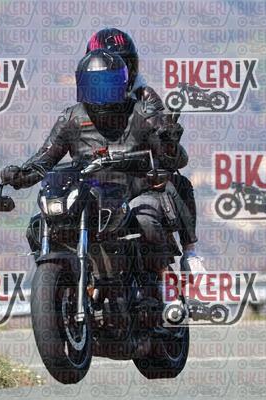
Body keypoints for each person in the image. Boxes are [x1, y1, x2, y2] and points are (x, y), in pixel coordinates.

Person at [1, 49, 186, 273]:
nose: (102, 93)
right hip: (86, 195)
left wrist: (169, 143)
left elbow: (176, 161)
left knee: (146, 222)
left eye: (108, 85)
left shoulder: (141, 113)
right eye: (95, 85)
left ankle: (158, 279)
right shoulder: (72, 117)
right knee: (36, 228)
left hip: (132, 193)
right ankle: (61, 279)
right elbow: (45, 158)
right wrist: (20, 176)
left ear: (123, 84)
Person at [85, 28, 203, 271]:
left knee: (170, 189)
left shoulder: (146, 99)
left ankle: (187, 254)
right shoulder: (82, 107)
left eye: (119, 66)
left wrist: (167, 140)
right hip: (101, 184)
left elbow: (171, 155)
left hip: (137, 180)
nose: (111, 73)